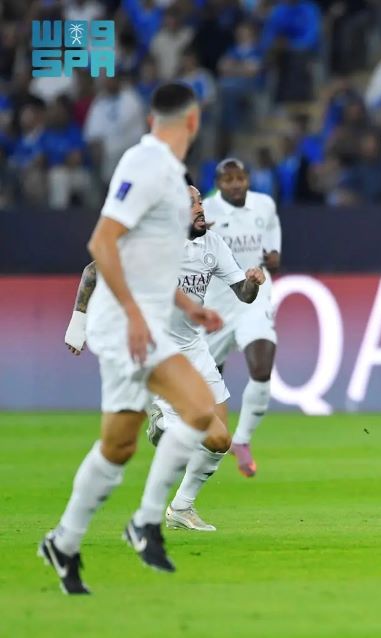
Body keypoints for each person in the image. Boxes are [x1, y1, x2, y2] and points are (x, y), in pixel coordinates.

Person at [40, 83, 218, 595]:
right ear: (192, 121)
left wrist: (187, 305)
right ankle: (145, 522)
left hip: (140, 321)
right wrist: (137, 316)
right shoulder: (145, 165)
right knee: (200, 411)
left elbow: (147, 260)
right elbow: (102, 243)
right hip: (124, 324)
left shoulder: (170, 177)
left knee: (118, 446)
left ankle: (63, 541)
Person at [65, 185, 266, 532]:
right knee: (203, 433)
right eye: (191, 204)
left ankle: (181, 508)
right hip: (157, 350)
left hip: (193, 347)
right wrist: (77, 323)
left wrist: (253, 282)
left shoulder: (213, 245)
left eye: (200, 201)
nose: (200, 208)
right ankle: (163, 422)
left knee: (219, 440)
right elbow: (94, 270)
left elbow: (244, 295)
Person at [202, 158, 282, 477]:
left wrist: (273, 253)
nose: (235, 184)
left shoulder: (264, 205)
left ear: (248, 179)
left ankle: (242, 439)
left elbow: (272, 235)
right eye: (228, 179)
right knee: (204, 385)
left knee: (262, 367)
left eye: (240, 178)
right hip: (215, 306)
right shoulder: (204, 212)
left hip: (254, 299)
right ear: (218, 184)